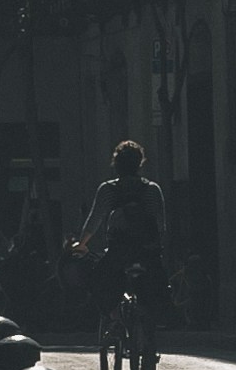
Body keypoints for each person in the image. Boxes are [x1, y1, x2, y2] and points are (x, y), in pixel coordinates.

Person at [73, 139, 170, 337]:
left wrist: (81, 244)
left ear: (116, 164)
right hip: (147, 252)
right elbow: (161, 225)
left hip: (119, 252)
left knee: (98, 280)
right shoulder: (152, 190)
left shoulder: (109, 189)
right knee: (158, 284)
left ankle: (115, 317)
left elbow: (94, 220)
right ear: (140, 164)